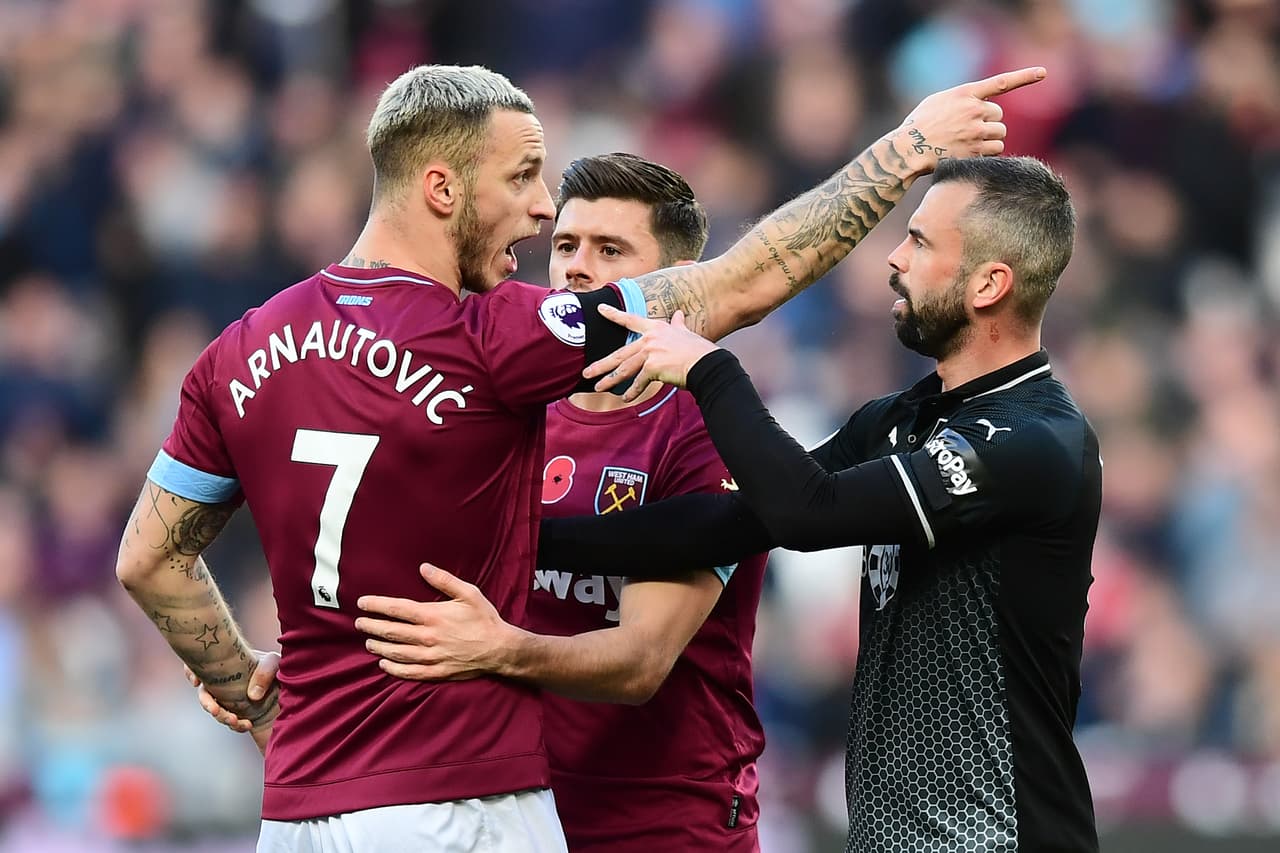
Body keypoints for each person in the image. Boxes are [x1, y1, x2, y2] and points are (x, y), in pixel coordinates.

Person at [114, 63, 1043, 851]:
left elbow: (147, 560)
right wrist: (906, 149)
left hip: (303, 812)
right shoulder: (492, 342)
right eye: (523, 179)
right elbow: (743, 282)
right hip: (459, 802)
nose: (538, 210)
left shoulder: (239, 350)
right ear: (442, 188)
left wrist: (258, 700)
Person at [199, 152, 771, 851]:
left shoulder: (707, 430)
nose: (576, 268)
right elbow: (424, 589)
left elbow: (640, 661)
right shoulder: (506, 406)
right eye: (566, 244)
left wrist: (501, 650)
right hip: (509, 816)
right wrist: (318, 661)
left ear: (675, 286)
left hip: (666, 826)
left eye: (610, 250)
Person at [540, 155, 1102, 853]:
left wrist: (711, 369)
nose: (895, 257)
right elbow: (727, 524)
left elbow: (807, 514)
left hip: (1000, 834)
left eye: (920, 241)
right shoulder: (898, 419)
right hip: (894, 837)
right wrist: (531, 538)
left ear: (989, 284)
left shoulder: (1034, 439)